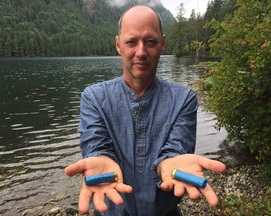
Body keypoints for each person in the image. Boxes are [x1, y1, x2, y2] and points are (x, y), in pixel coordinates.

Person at [65, 5, 226, 216]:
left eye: (150, 42)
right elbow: (96, 145)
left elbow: (175, 151)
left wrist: (168, 165)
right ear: (118, 45)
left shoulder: (184, 99)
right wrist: (100, 158)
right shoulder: (93, 97)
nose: (141, 52)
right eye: (131, 42)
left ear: (163, 44)